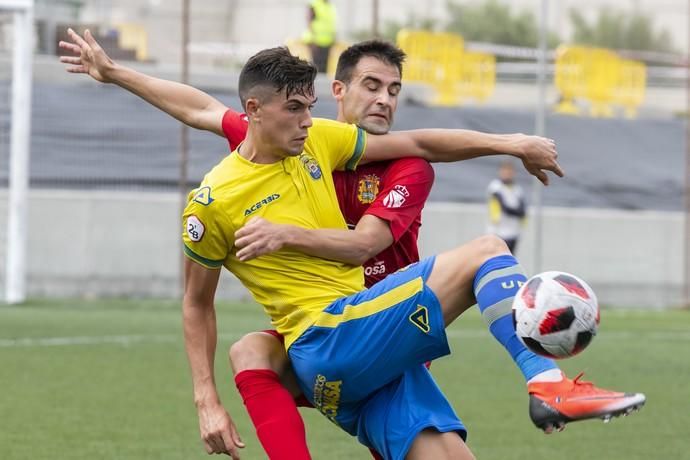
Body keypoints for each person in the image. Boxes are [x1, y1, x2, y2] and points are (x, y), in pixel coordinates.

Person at [58, 34, 646, 460]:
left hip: (368, 345)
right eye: (296, 108)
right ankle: (547, 385)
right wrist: (205, 402)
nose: (308, 120)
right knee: (485, 249)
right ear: (255, 113)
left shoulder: (320, 140)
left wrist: (511, 142)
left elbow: (412, 160)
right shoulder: (211, 201)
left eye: (311, 107)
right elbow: (194, 298)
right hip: (331, 335)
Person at [487, 160, 527, 253]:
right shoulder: (495, 187)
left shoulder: (517, 189)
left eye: (510, 171)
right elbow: (505, 208)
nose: (507, 174)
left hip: (513, 233)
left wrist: (518, 212)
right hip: (497, 233)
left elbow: (523, 211)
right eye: (505, 171)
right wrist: (517, 212)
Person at [302, 0, 336, 73]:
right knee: (316, 68)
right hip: (316, 42)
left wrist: (333, 38)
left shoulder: (329, 6)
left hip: (327, 41)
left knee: (324, 69)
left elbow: (331, 24)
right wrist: (312, 39)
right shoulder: (314, 4)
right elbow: (309, 21)